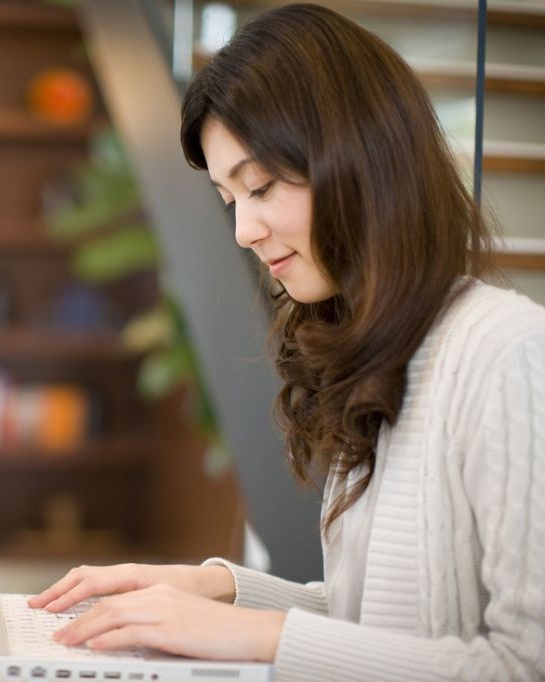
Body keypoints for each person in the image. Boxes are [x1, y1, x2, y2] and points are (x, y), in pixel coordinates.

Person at [28, 4, 545, 679]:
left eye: (262, 186)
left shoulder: (506, 353)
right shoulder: (383, 350)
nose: (244, 230)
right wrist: (220, 590)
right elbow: (389, 622)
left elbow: (522, 662)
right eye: (229, 198)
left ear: (363, 158)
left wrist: (264, 636)